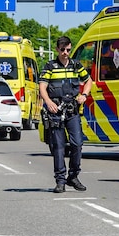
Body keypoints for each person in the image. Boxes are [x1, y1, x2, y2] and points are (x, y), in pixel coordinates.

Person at [39, 36, 92, 193]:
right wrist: (48, 102)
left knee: (77, 144)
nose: (65, 53)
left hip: (72, 110)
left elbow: (88, 81)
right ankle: (60, 181)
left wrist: (85, 95)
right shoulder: (50, 66)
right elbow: (42, 87)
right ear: (57, 49)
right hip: (56, 112)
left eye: (68, 50)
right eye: (62, 50)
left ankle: (73, 176)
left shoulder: (76, 65)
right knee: (59, 148)